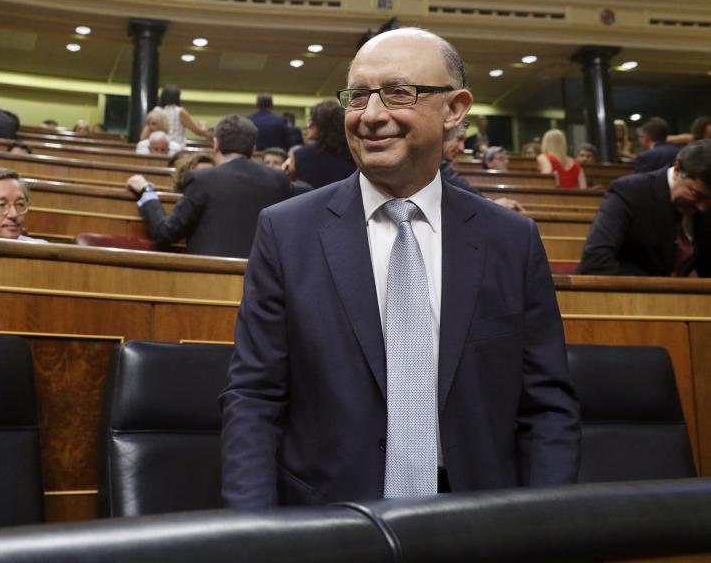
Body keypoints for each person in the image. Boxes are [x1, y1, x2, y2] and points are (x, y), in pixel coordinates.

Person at [220, 27, 580, 509]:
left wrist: (547, 529)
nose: (371, 116)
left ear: (454, 109)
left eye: (397, 94)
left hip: (480, 522)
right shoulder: (286, 232)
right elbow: (254, 396)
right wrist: (252, 534)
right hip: (329, 521)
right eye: (358, 96)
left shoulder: (510, 241)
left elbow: (547, 407)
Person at [127, 115, 294, 258]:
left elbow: (166, 233)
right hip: (262, 286)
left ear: (215, 144)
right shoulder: (279, 180)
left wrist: (146, 192)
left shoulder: (202, 179)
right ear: (253, 148)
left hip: (209, 281)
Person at [577, 139, 711, 277]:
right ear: (677, 169)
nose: (703, 207)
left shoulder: (706, 206)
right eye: (697, 194)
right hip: (619, 294)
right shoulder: (629, 192)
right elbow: (596, 262)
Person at [285, 100, 356, 189]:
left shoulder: (301, 154)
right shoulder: (354, 153)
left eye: (312, 121)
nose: (309, 126)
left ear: (322, 126)